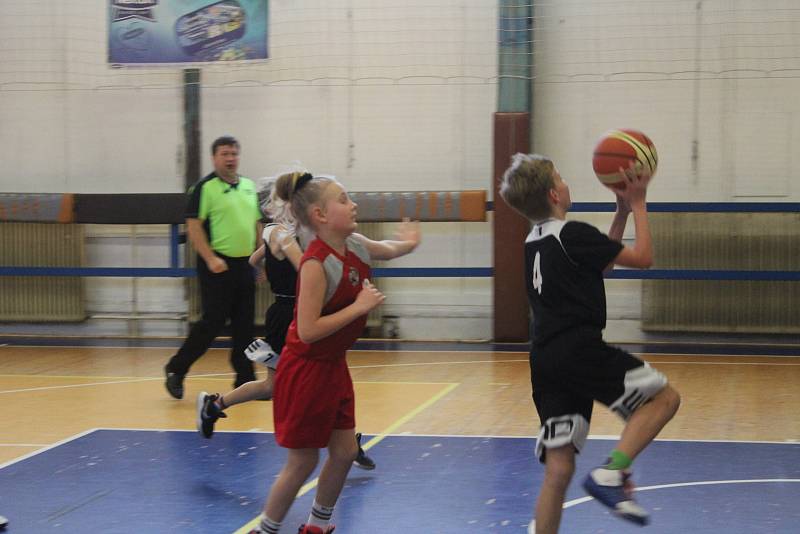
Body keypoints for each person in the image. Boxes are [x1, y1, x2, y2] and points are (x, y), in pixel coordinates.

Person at [498, 154, 681, 534]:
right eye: (561, 177)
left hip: (545, 360)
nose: (567, 183)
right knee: (663, 399)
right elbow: (643, 258)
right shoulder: (573, 234)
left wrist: (621, 214)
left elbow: (600, 264)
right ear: (553, 193)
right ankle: (612, 473)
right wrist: (641, 202)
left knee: (559, 469)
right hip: (577, 349)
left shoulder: (534, 240)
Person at [249, 172, 420, 534]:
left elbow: (386, 249)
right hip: (305, 368)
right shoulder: (314, 264)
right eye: (343, 199)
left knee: (343, 453)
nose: (353, 204)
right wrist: (359, 308)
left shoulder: (355, 243)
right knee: (303, 461)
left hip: (332, 366)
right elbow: (308, 331)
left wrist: (408, 244)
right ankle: (264, 529)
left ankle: (317, 526)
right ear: (319, 215)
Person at [196, 172, 376, 470]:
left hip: (302, 312)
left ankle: (214, 406)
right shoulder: (280, 232)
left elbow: (256, 260)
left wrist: (267, 266)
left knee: (305, 382)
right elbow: (305, 264)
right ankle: (344, 444)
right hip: (289, 316)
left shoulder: (293, 232)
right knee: (285, 385)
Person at [164, 135, 263, 399]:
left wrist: (260, 259)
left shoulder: (249, 187)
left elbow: (257, 224)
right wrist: (210, 258)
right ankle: (176, 368)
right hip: (216, 265)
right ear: (214, 157)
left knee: (245, 324)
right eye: (224, 154)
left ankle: (245, 378)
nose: (230, 159)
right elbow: (193, 226)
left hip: (245, 264)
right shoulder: (204, 188)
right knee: (213, 322)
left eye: (234, 153)